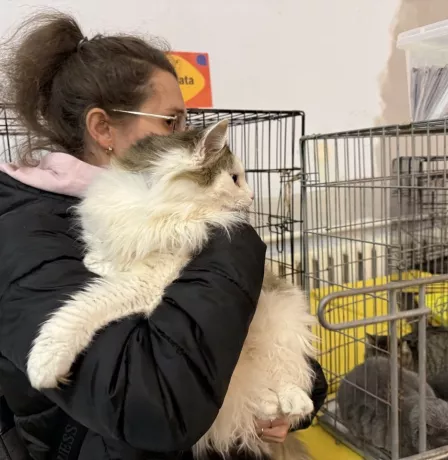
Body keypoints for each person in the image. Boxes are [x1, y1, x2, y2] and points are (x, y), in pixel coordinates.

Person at [0, 11, 327, 460]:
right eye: (171, 122)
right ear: (103, 129)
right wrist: (234, 242)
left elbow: (247, 329)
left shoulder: (171, 207)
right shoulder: (25, 234)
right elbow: (152, 402)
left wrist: (293, 399)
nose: (185, 137)